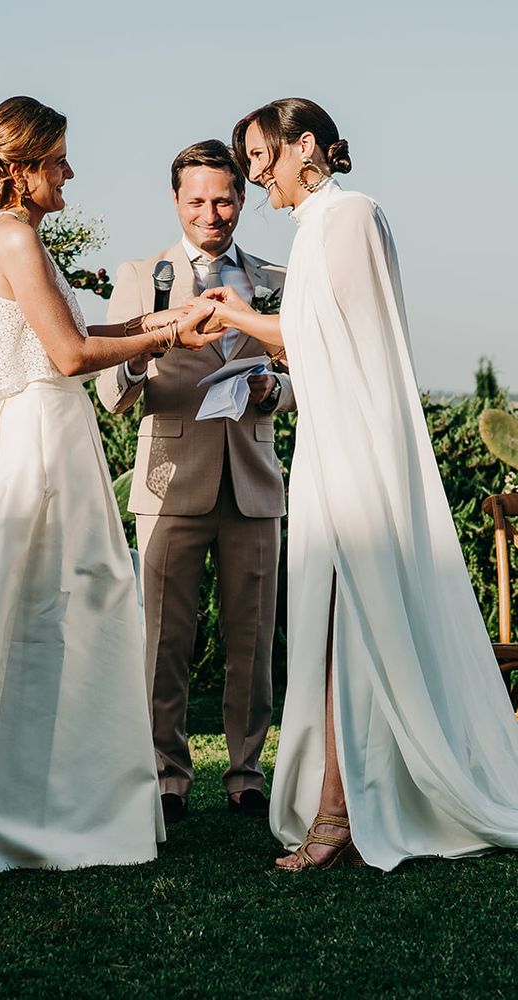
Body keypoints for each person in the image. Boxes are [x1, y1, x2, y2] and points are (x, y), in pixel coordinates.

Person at [0, 96, 223, 885]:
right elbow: (72, 356)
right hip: (37, 445)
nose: (69, 172)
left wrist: (163, 318)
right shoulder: (11, 238)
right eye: (57, 160)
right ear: (21, 167)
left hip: (46, 432)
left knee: (60, 619)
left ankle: (59, 806)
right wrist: (173, 334)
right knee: (47, 617)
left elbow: (80, 338)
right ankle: (36, 814)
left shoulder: (18, 237)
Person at [202, 97, 518, 871]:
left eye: (261, 157)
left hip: (355, 453)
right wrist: (256, 331)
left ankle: (340, 813)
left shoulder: (350, 218)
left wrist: (242, 315)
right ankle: (343, 801)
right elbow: (317, 344)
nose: (254, 173)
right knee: (339, 620)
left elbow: (338, 341)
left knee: (351, 616)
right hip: (329, 447)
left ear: (304, 146)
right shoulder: (321, 228)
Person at [96, 139, 294, 823]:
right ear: (175, 201)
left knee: (254, 640)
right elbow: (111, 393)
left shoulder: (275, 275)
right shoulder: (140, 274)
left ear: (242, 197)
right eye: (198, 200)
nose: (213, 213)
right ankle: (166, 777)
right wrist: (151, 345)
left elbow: (304, 370)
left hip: (254, 480)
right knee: (165, 643)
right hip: (169, 478)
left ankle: (246, 774)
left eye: (226, 198)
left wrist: (274, 389)